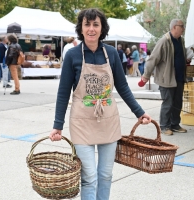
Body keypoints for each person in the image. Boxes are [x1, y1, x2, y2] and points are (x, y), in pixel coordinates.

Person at [49, 8, 151, 200]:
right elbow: (63, 93)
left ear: (102, 27)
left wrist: (140, 112)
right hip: (81, 122)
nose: (91, 29)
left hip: (108, 121)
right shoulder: (72, 55)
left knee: (105, 175)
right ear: (81, 28)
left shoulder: (111, 53)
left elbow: (122, 87)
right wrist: (57, 125)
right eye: (87, 24)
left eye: (96, 24)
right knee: (89, 177)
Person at [142, 19, 189, 136]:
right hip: (166, 78)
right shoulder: (164, 41)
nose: (183, 28)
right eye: (181, 26)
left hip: (179, 77)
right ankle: (164, 126)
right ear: (174, 27)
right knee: (168, 103)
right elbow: (153, 59)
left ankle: (175, 124)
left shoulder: (181, 41)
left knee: (178, 102)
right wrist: (146, 75)